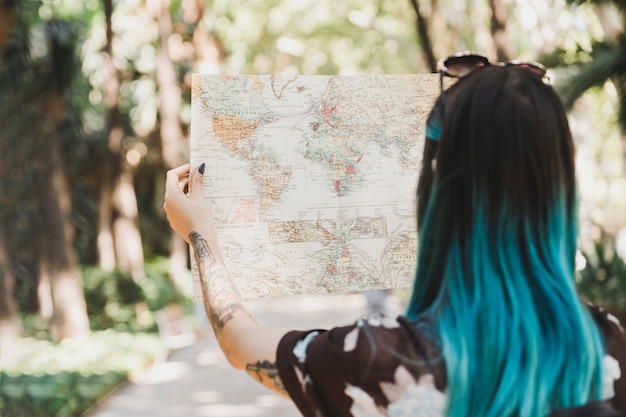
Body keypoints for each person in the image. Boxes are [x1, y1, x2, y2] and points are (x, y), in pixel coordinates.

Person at [163, 53, 626, 417]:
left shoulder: (375, 360)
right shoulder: (609, 345)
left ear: (437, 187)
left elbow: (240, 342)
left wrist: (200, 233)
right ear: (561, 191)